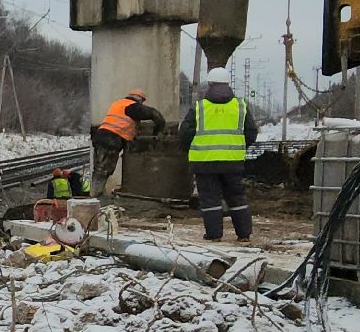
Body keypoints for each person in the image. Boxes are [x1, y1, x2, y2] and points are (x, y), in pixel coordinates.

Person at [178, 67, 261, 242]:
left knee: (210, 199)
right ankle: (244, 235)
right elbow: (251, 131)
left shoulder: (199, 107)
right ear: (228, 84)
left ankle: (214, 235)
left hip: (204, 162)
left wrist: (191, 149)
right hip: (233, 162)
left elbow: (185, 133)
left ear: (209, 84)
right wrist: (238, 146)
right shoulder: (240, 105)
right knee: (236, 196)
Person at [90, 90, 166, 190]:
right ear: (140, 99)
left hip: (101, 137)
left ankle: (95, 193)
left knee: (99, 168)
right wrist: (159, 130)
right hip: (111, 140)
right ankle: (96, 195)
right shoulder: (133, 106)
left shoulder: (118, 104)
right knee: (104, 170)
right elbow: (154, 114)